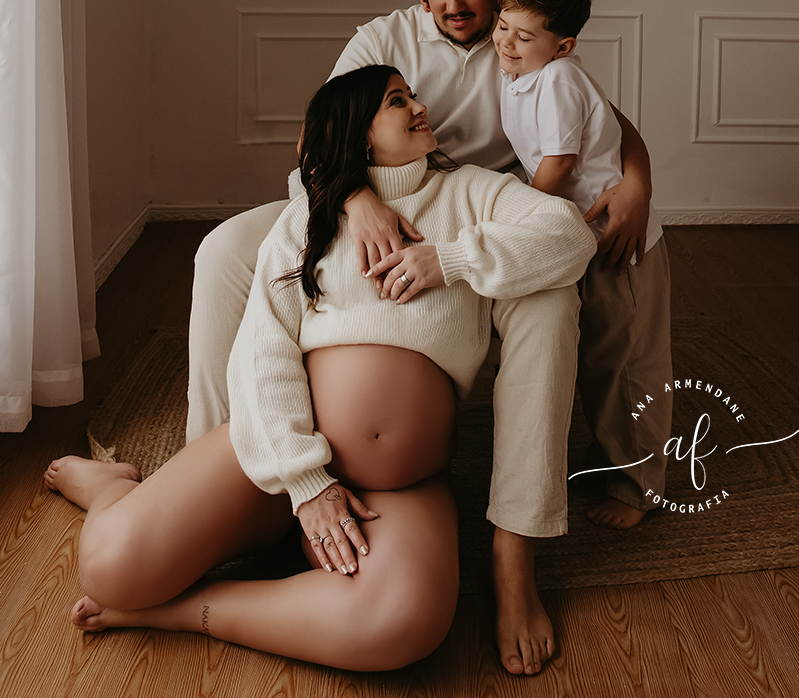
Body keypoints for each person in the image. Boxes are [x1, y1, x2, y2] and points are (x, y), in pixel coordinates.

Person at [186, 0, 654, 674]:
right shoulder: (383, 39)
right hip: (364, 194)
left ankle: (514, 545)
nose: (453, 4)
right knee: (221, 252)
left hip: (472, 211)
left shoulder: (521, 33)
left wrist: (636, 176)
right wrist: (355, 198)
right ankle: (220, 469)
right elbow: (319, 134)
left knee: (549, 297)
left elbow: (595, 115)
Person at [44, 66, 596, 673]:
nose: (419, 106)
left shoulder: (473, 193)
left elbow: (569, 234)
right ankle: (112, 486)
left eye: (412, 95)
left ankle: (182, 611)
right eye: (397, 101)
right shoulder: (310, 218)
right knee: (108, 567)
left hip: (397, 488)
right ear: (358, 134)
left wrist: (452, 260)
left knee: (401, 621)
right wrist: (308, 484)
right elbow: (263, 350)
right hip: (285, 464)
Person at [493, 0, 673, 529]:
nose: (507, 42)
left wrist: (522, 218)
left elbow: (559, 163)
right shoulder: (520, 71)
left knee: (629, 363)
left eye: (524, 36)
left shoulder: (559, 80)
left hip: (619, 242)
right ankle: (611, 456)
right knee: (597, 357)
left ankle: (639, 487)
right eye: (503, 26)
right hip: (585, 241)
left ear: (563, 46)